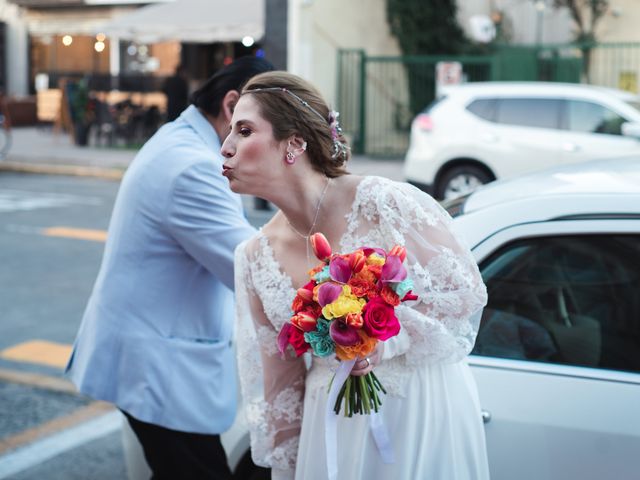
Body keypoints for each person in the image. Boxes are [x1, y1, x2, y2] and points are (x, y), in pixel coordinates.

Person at [221, 71, 490, 480]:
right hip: (331, 431)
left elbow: (464, 295)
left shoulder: (384, 202)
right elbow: (281, 388)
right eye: (229, 133)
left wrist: (386, 340)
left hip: (418, 409)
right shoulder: (254, 256)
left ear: (294, 143)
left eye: (244, 131)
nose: (226, 148)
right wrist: (290, 469)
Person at [65, 56, 274, 480]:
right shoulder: (193, 166)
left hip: (153, 353)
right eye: (270, 130)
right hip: (157, 366)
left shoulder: (184, 141)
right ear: (232, 107)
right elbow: (251, 268)